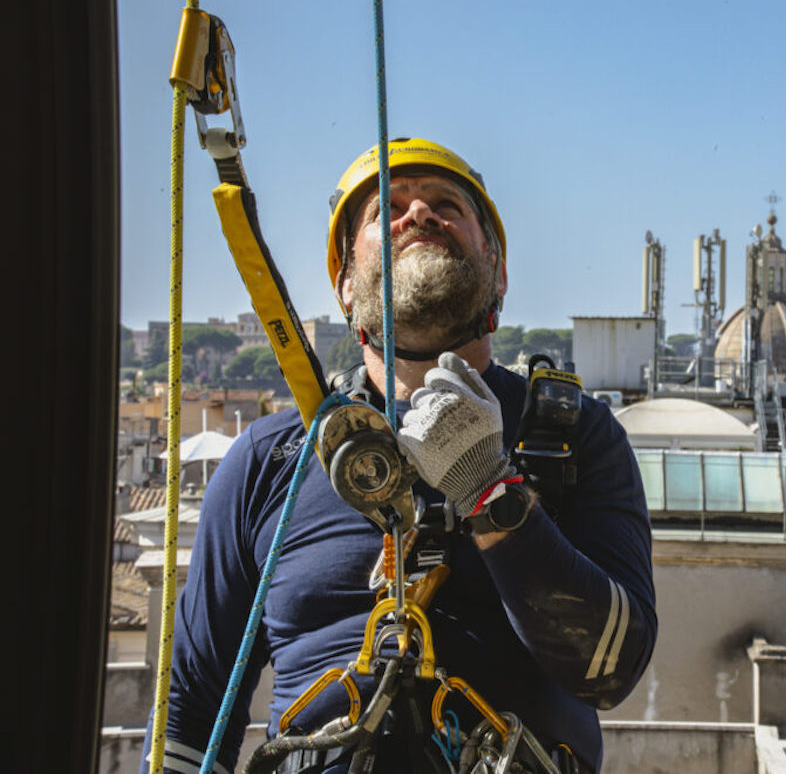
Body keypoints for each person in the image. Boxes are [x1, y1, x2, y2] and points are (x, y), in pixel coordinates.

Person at [142, 138, 657, 773]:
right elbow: (193, 709)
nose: (418, 214)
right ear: (344, 285)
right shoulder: (270, 462)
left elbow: (611, 668)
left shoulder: (574, 438)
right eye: (387, 209)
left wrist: (488, 491)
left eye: (446, 205)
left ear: (497, 273)